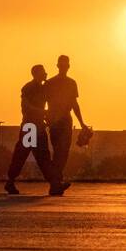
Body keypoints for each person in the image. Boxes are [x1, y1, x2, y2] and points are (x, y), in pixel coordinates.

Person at [4, 64, 61, 195]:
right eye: (43, 72)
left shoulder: (43, 89)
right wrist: (43, 112)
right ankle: (10, 181)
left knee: (43, 156)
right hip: (30, 126)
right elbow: (27, 107)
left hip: (39, 126)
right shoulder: (28, 88)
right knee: (21, 155)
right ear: (36, 74)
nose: (45, 74)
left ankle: (54, 184)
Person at [43, 54, 87, 191]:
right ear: (58, 66)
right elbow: (43, 103)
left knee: (61, 152)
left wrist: (82, 123)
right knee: (59, 152)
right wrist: (46, 117)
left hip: (64, 121)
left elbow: (74, 104)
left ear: (67, 66)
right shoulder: (51, 83)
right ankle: (55, 183)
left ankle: (56, 182)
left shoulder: (69, 83)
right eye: (62, 65)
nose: (63, 67)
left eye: (65, 65)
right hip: (57, 121)